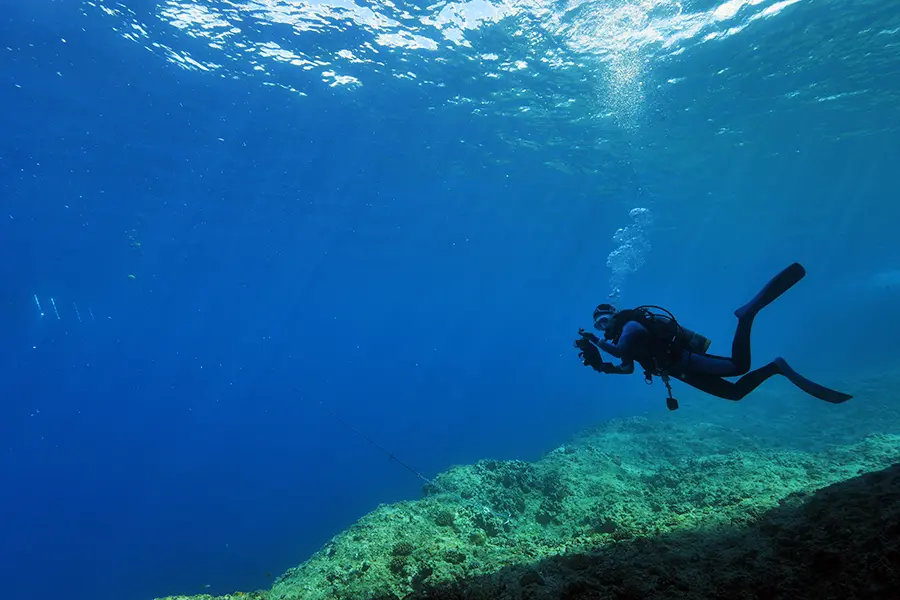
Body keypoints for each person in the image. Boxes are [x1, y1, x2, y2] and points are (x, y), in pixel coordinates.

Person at [574, 262, 852, 409]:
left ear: (615, 314)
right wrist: (601, 367)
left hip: (686, 361)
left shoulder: (632, 326)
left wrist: (596, 342)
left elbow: (623, 351)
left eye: (604, 319)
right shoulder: (620, 337)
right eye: (598, 324)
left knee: (738, 367)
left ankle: (746, 316)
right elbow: (626, 367)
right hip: (681, 372)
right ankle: (775, 368)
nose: (602, 326)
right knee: (734, 394)